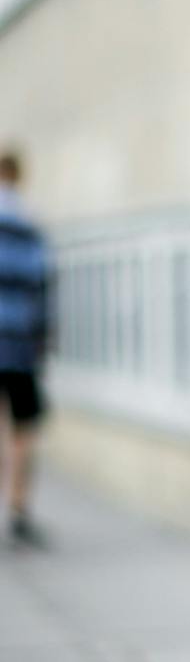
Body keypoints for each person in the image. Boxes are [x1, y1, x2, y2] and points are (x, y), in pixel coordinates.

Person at [0, 146, 52, 548]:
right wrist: (43, 338)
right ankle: (18, 509)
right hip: (18, 344)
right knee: (23, 430)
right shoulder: (29, 224)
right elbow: (42, 283)